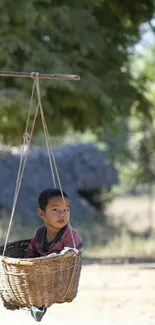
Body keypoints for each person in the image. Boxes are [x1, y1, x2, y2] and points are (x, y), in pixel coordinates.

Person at [25, 188, 82, 322]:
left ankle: (41, 305)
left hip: (60, 276)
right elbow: (30, 252)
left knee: (46, 293)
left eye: (66, 209)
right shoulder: (39, 233)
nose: (62, 214)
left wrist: (55, 257)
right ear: (41, 213)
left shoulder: (69, 234)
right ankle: (33, 304)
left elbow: (70, 253)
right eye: (55, 210)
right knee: (29, 285)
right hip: (40, 275)